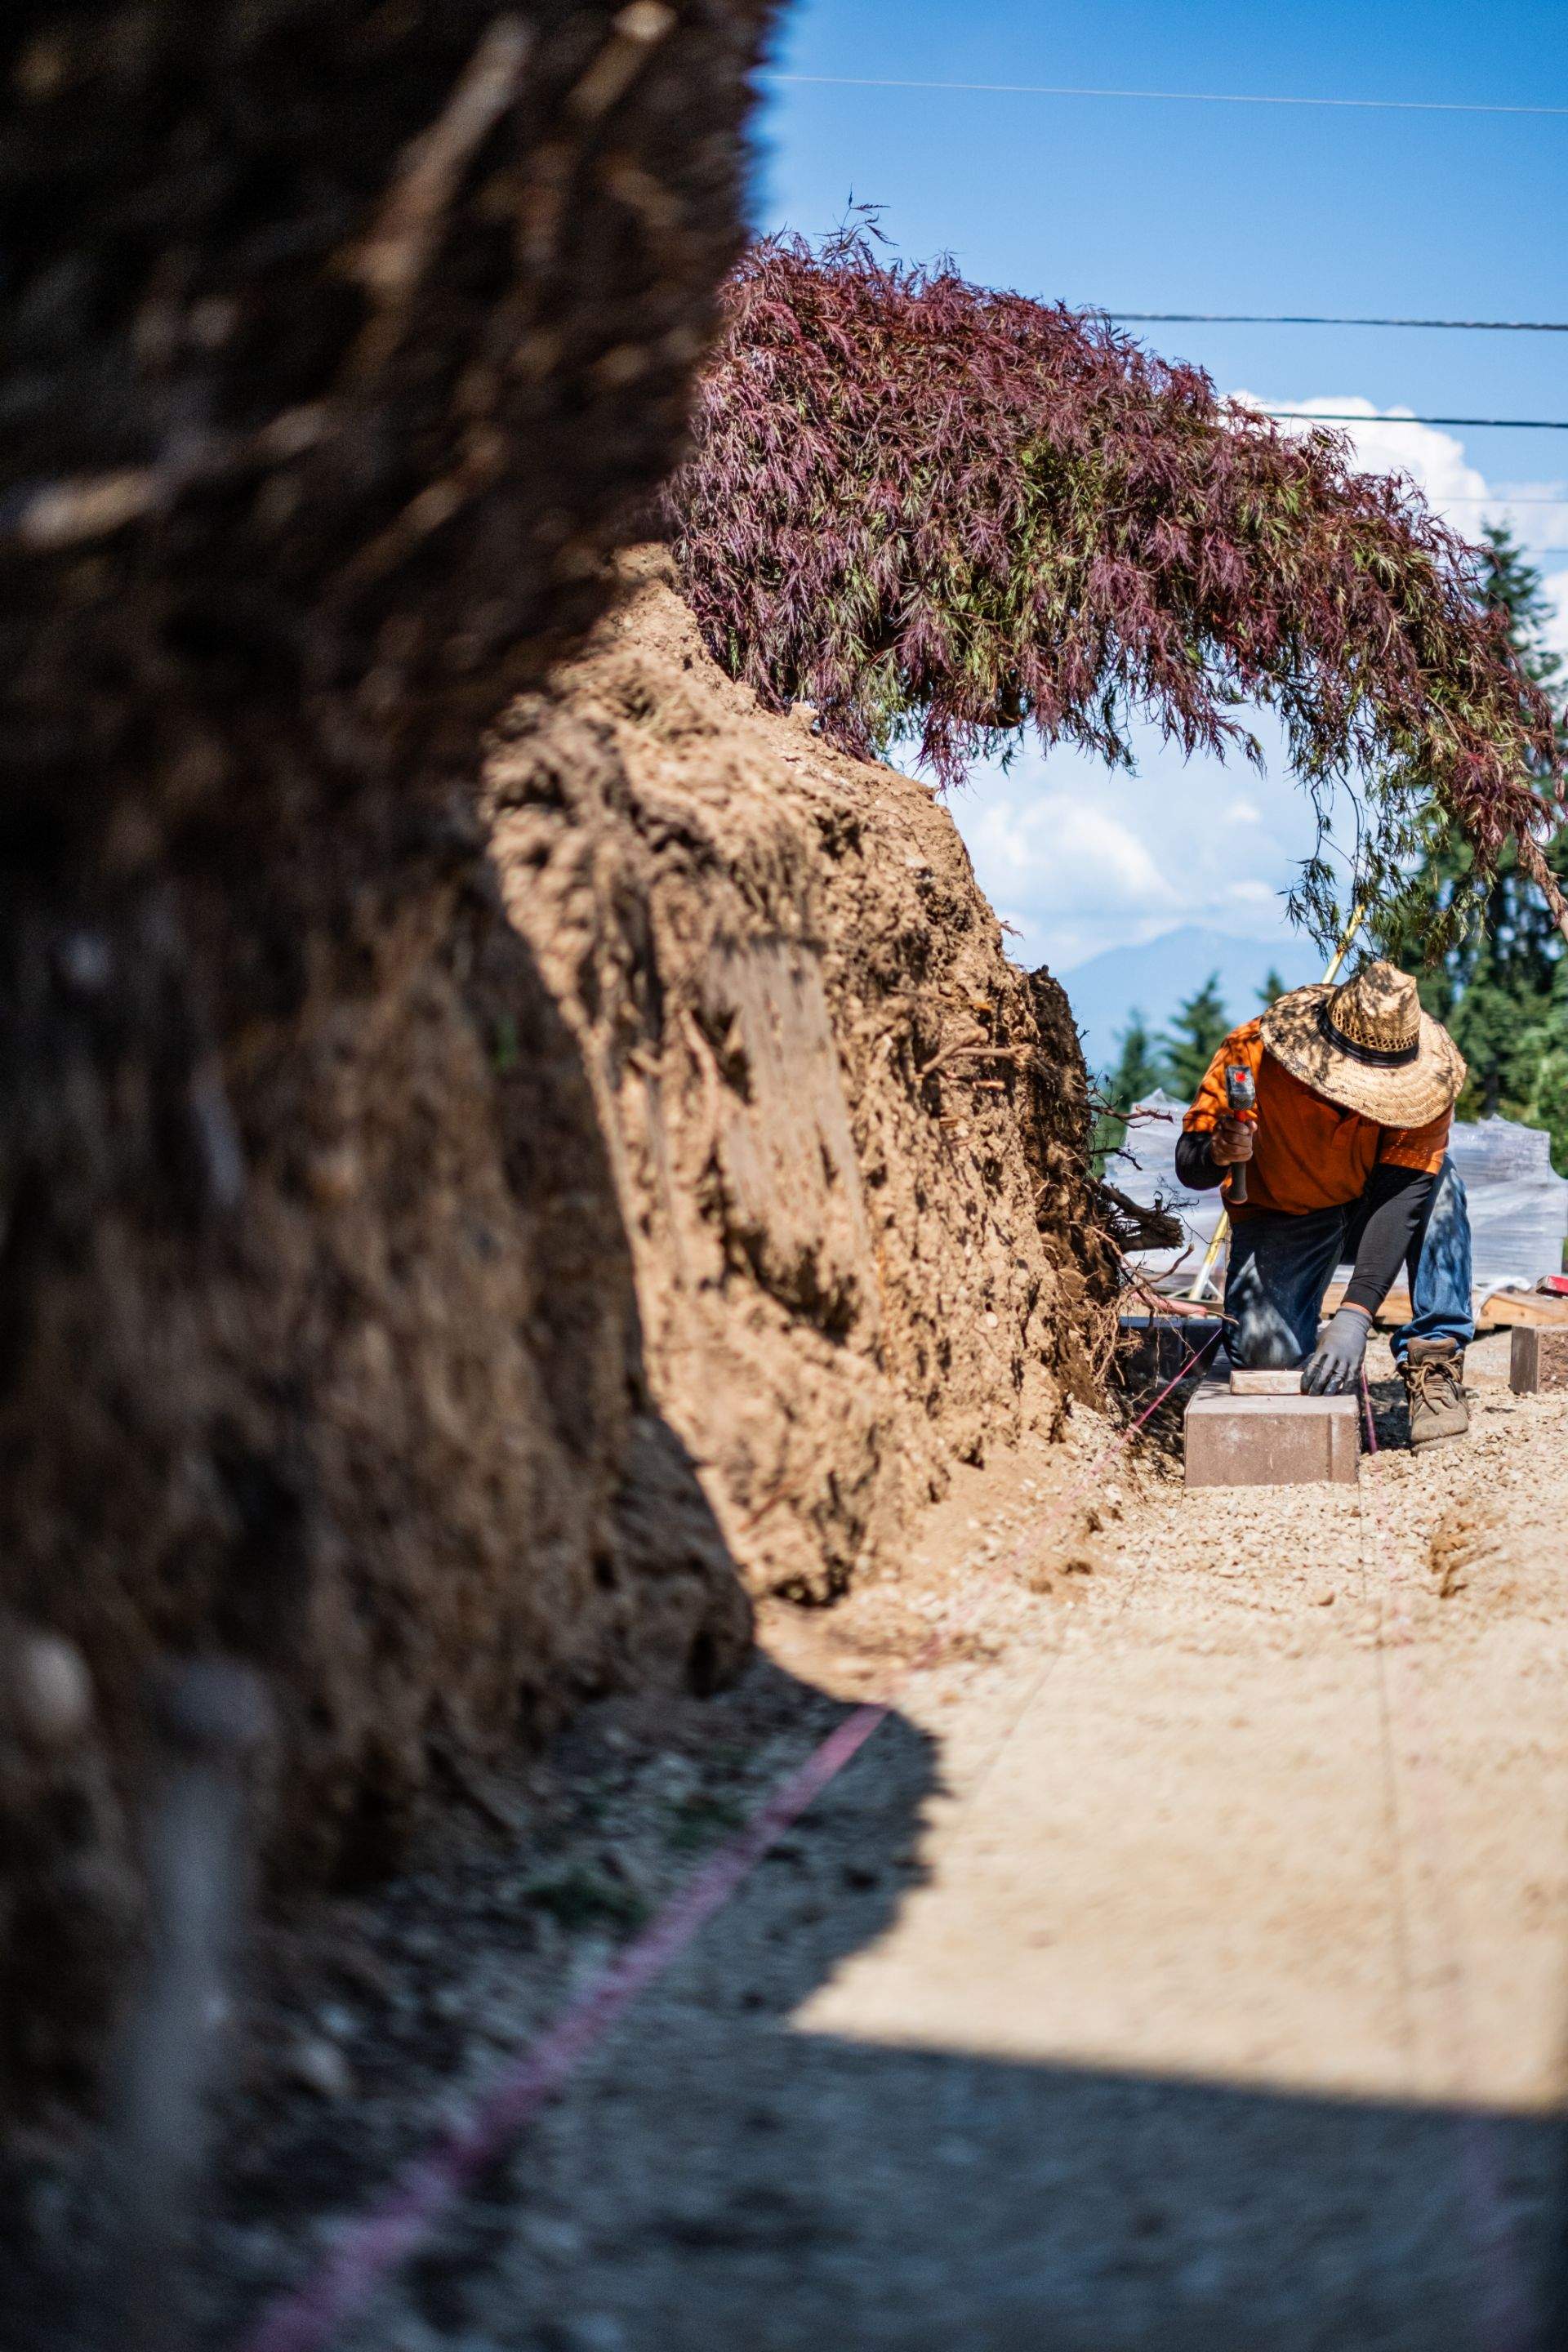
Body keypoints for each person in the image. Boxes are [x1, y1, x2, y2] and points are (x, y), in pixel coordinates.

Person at [1177, 960, 1472, 1449]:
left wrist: (1355, 1316)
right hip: (1284, 1213)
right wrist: (1217, 1152)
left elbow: (1402, 1201)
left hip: (1374, 1210)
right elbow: (1190, 1167)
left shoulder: (1428, 1086)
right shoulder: (1251, 1051)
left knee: (1440, 1187)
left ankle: (1434, 1359)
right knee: (1266, 1356)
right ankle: (1302, 1323)